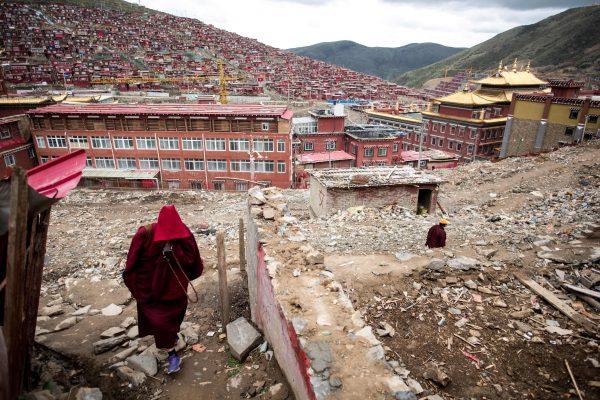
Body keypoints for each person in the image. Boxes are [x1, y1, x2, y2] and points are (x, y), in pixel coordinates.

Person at [123, 205, 203, 374]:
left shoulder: (183, 234)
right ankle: (172, 355)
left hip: (175, 289)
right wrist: (139, 292)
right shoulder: (145, 234)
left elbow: (192, 259)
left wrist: (176, 253)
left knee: (176, 319)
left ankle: (173, 337)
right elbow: (131, 266)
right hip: (152, 292)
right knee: (160, 323)